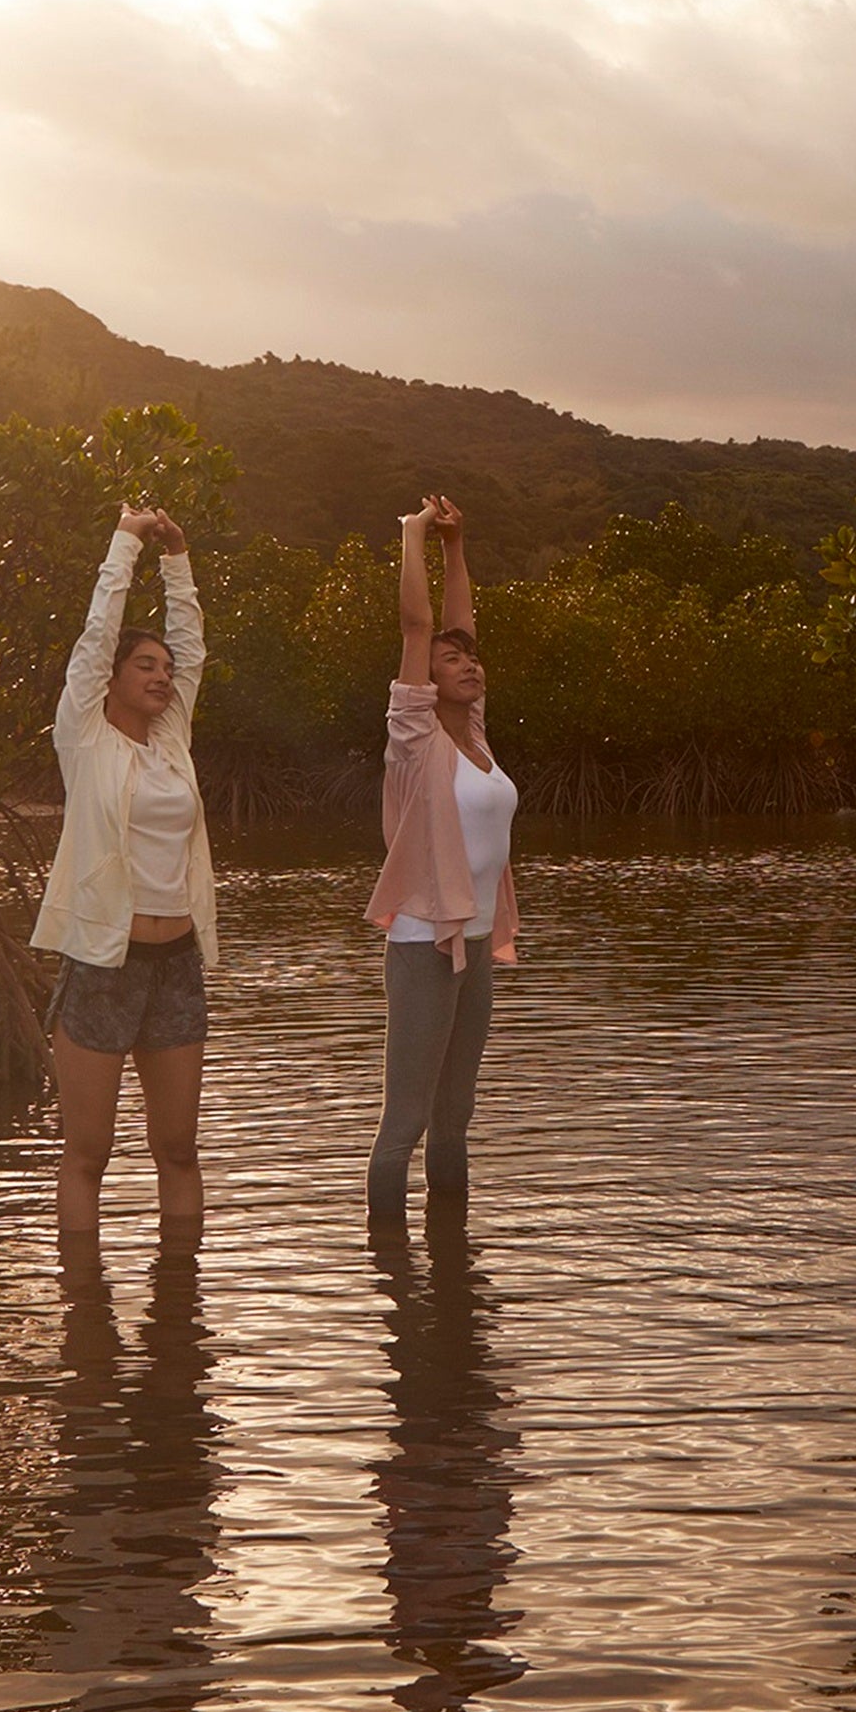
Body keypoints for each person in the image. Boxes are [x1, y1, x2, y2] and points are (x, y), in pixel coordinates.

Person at [36, 505, 215, 1287]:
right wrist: (128, 542)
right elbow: (92, 637)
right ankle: (85, 1313)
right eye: (145, 667)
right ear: (111, 678)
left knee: (178, 1148)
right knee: (89, 1153)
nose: (162, 677)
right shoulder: (85, 738)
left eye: (164, 670)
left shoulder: (171, 741)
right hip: (104, 964)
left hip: (176, 964)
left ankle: (182, 1310)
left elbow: (195, 649)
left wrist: (179, 560)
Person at [365, 495, 518, 1208]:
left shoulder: (476, 737)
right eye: (449, 662)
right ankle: (393, 1276)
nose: (467, 665)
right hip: (425, 943)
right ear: (423, 678)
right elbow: (420, 624)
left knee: (455, 1122)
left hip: (477, 942)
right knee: (407, 1123)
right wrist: (414, 535)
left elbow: (458, 622)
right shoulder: (414, 739)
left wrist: (459, 545)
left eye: (472, 661)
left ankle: (452, 1276)